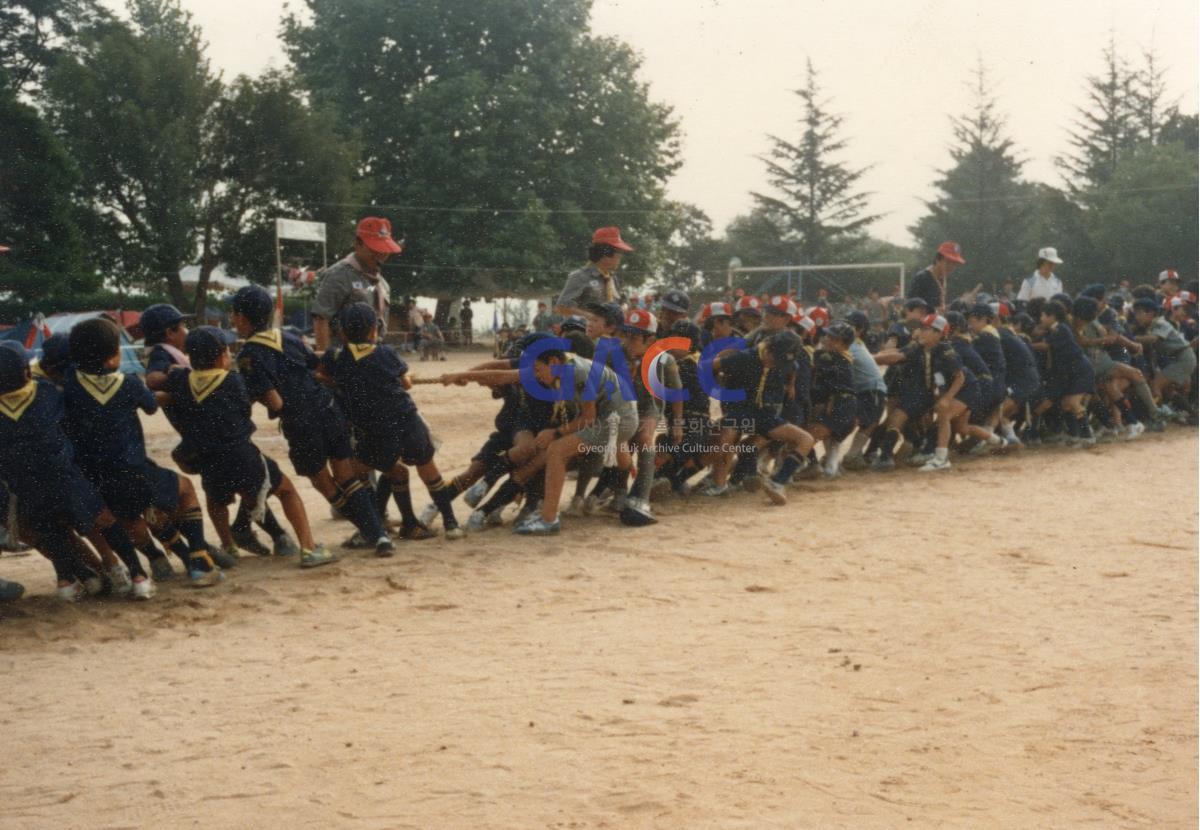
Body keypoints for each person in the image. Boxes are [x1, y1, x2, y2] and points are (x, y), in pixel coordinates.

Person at [230, 285, 394, 558]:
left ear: (243, 318)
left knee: (324, 483)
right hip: (328, 410)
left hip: (301, 424)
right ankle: (379, 536)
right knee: (346, 475)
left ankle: (369, 530)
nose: (233, 320)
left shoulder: (249, 355)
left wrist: (251, 395)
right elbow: (317, 368)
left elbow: (276, 403)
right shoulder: (289, 337)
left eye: (234, 315)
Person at [159, 327, 337, 569]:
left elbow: (167, 381)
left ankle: (228, 545)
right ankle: (308, 547)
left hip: (206, 457)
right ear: (223, 355)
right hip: (241, 454)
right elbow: (246, 408)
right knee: (286, 490)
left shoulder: (181, 381)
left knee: (216, 499)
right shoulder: (233, 381)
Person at [63, 318, 221, 587]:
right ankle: (199, 559)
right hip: (134, 469)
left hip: (97, 477)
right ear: (114, 357)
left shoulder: (69, 388)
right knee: (184, 489)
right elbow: (150, 405)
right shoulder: (128, 384)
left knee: (128, 518)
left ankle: (156, 558)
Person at [0, 345, 153, 600]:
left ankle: (66, 584)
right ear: (26, 371)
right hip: (64, 479)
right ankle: (137, 575)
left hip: (27, 487)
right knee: (104, 520)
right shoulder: (45, 392)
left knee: (52, 532)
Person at [321, 304, 463, 540]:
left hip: (374, 428)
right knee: (427, 468)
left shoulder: (337, 357)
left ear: (342, 332)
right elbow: (405, 384)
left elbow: (324, 374)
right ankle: (450, 522)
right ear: (373, 331)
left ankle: (382, 522)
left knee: (378, 470)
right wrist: (406, 378)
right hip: (406, 419)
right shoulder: (385, 353)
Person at [311, 216, 401, 353]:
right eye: (374, 250)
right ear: (358, 244)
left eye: (384, 250)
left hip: (371, 358)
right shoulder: (338, 275)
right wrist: (324, 362)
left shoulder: (383, 284)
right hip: (343, 359)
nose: (381, 255)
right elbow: (321, 319)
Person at [555, 227, 632, 316]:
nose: (620, 258)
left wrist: (622, 308)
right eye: (618, 254)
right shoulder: (580, 276)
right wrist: (593, 318)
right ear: (605, 254)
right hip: (585, 329)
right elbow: (562, 307)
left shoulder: (611, 278)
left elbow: (623, 301)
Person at [908, 241, 965, 312]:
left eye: (954, 264)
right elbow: (910, 307)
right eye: (948, 262)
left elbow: (939, 308)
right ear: (938, 260)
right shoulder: (922, 278)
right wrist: (934, 311)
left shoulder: (942, 278)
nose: (951, 267)